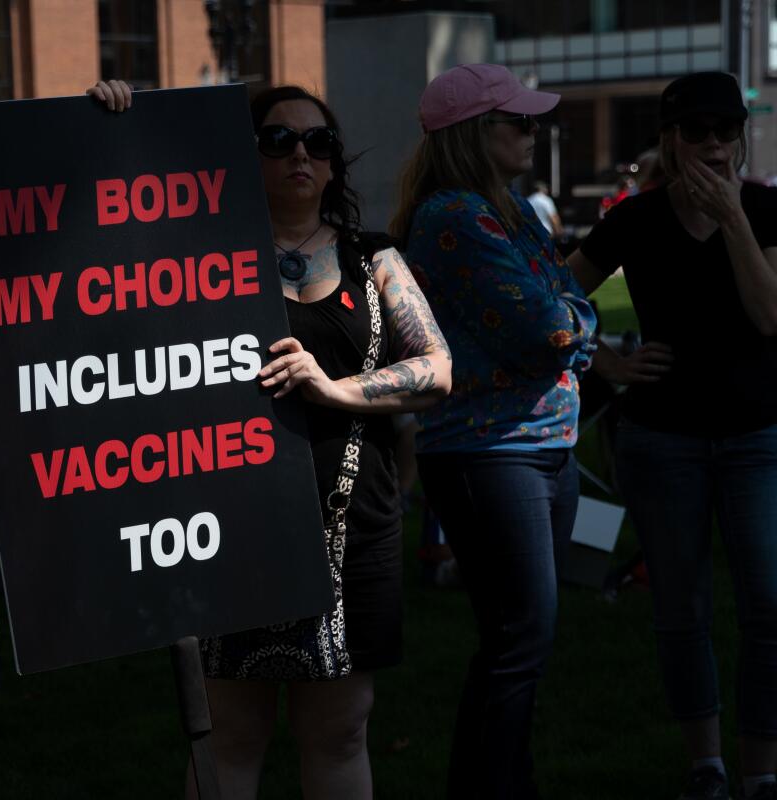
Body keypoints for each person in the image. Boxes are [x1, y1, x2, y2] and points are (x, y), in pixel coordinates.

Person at [89, 79, 452, 799]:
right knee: (229, 735)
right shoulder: (192, 263)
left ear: (334, 163)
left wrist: (336, 388)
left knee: (341, 729)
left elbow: (438, 369)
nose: (301, 154)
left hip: (355, 529)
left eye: (318, 142)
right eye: (277, 139)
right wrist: (114, 128)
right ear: (242, 155)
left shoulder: (373, 258)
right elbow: (103, 264)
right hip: (231, 527)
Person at [566, 71, 777, 800]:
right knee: (680, 607)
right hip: (662, 441)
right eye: (698, 132)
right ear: (670, 140)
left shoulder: (766, 209)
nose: (714, 146)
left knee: (768, 605)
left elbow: (770, 316)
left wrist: (736, 222)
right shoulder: (634, 219)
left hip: (755, 436)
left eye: (726, 132)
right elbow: (555, 300)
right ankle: (706, 764)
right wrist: (611, 362)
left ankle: (761, 769)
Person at [390, 63, 597, 799]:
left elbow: (570, 304)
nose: (532, 131)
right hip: (490, 454)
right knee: (521, 641)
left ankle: (500, 782)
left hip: (542, 449)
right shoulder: (456, 217)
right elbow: (547, 328)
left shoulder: (509, 211)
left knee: (519, 644)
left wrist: (573, 323)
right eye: (518, 121)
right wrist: (575, 327)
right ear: (477, 134)